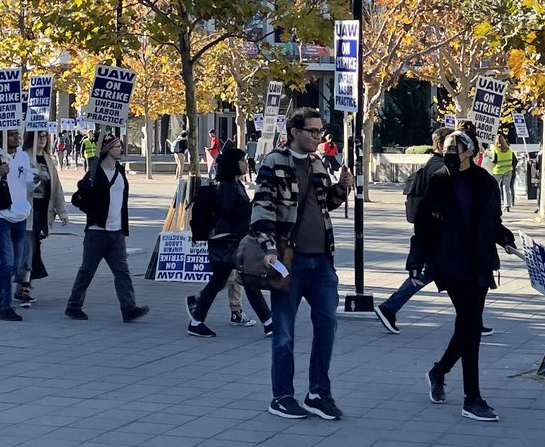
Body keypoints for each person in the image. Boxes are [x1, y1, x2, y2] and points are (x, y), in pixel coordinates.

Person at [251, 107, 354, 420]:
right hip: (289, 260)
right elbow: (262, 208)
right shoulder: (274, 162)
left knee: (328, 325)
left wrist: (341, 187)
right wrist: (269, 249)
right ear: (294, 131)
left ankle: (317, 393)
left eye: (320, 131)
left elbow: (325, 206)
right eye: (312, 131)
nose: (317, 137)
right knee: (283, 332)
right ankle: (282, 396)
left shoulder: (318, 162)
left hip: (322, 260)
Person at [410, 131, 515, 422]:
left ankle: (439, 370)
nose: (450, 153)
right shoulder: (439, 181)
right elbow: (423, 226)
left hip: (480, 262)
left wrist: (505, 238)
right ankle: (473, 398)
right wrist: (416, 260)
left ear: (470, 152)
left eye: (455, 149)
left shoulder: (486, 182)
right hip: (451, 261)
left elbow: (493, 222)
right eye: (446, 148)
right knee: (470, 324)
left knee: (469, 325)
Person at [188, 147, 272, 337]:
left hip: (229, 241)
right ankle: (269, 322)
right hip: (227, 241)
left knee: (217, 282)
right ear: (233, 164)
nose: (245, 164)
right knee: (248, 279)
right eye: (242, 161)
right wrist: (253, 204)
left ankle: (196, 322)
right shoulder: (227, 186)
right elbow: (229, 211)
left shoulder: (235, 184)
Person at [64, 135, 149, 323]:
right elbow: (79, 198)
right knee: (87, 271)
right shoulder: (94, 173)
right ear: (108, 149)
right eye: (118, 146)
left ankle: (129, 308)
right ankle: (74, 306)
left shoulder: (120, 172)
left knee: (122, 272)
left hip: (116, 232)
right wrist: (92, 208)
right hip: (97, 232)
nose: (121, 149)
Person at [376, 126, 449, 334]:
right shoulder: (439, 168)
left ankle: (473, 321)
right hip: (436, 233)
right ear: (440, 145)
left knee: (443, 274)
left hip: (432, 232)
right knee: (433, 273)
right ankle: (389, 307)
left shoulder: (432, 164)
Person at [0, 131, 33, 321]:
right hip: (0, 216)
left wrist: (35, 180)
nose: (16, 138)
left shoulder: (24, 156)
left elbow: (26, 183)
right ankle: (5, 307)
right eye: (10, 135)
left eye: (17, 134)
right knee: (7, 263)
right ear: (1, 137)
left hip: (20, 216)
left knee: (16, 265)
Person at [18, 130, 69, 306]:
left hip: (43, 212)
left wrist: (62, 211)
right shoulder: (23, 157)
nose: (42, 139)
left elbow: (57, 188)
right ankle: (24, 289)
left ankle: (23, 285)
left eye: (44, 136)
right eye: (38, 135)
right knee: (28, 250)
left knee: (33, 251)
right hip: (27, 212)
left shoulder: (48, 159)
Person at [488, 132, 517, 213]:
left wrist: (489, 160)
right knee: (506, 188)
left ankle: (495, 204)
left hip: (497, 171)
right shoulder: (509, 149)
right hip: (508, 170)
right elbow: (515, 161)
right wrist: (511, 168)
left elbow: (494, 160)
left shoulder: (495, 149)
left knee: (495, 188)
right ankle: (507, 205)